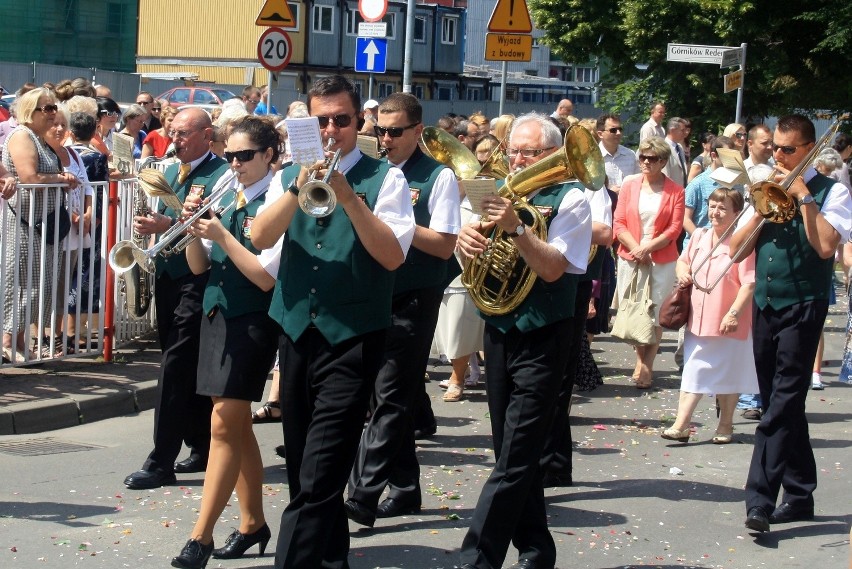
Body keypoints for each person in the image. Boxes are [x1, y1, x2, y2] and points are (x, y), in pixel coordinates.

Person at [250, 75, 415, 569]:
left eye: (341, 120)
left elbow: (391, 257)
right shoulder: (287, 177)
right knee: (304, 465)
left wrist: (347, 196)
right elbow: (260, 237)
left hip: (353, 337)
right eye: (321, 120)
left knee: (321, 471)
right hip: (298, 332)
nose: (330, 130)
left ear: (358, 122)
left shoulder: (388, 180)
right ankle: (332, 558)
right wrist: (296, 185)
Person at [455, 112, 592, 569]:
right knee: (511, 450)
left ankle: (478, 557)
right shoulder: (495, 192)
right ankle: (536, 550)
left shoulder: (572, 199)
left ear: (551, 155)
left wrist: (516, 227)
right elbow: (468, 255)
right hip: (500, 330)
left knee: (515, 453)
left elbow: (554, 267)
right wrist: (467, 240)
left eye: (529, 152)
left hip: (545, 335)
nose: (517, 159)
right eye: (513, 149)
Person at [170, 116, 283, 569]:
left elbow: (263, 274)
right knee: (235, 426)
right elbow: (199, 267)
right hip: (217, 313)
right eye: (230, 155)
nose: (235, 163)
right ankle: (253, 521)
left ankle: (201, 536)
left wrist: (221, 234)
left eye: (245, 156)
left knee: (222, 424)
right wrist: (193, 229)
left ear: (270, 156)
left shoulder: (276, 198)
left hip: (253, 319)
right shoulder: (226, 190)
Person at [731, 114, 852, 533]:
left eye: (787, 149)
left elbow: (823, 248)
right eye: (774, 147)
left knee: (778, 406)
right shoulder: (767, 186)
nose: (777, 155)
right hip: (766, 303)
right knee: (781, 402)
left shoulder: (833, 192)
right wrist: (762, 210)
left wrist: (804, 198)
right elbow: (734, 250)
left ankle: (759, 501)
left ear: (811, 150)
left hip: (804, 304)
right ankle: (800, 495)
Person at [345, 92, 460, 527]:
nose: (386, 139)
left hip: (414, 292)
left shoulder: (438, 177)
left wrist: (393, 225)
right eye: (380, 131)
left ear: (417, 132)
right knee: (387, 395)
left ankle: (361, 493)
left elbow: (446, 243)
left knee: (390, 396)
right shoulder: (372, 172)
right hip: (374, 291)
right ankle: (407, 489)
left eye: (395, 132)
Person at [123, 107, 231, 491]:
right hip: (168, 275)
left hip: (198, 278)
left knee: (173, 366)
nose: (175, 140)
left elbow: (210, 225)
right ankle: (201, 444)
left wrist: (167, 225)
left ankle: (160, 460)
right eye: (172, 132)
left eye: (184, 134)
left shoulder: (222, 173)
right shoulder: (168, 170)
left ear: (206, 134)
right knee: (184, 359)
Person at [662, 188, 757, 444]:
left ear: (737, 213)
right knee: (694, 370)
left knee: (729, 374)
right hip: (698, 319)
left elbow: (749, 283)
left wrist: (734, 313)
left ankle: (725, 425)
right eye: (713, 205)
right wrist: (683, 272)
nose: (715, 212)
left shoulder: (742, 242)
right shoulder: (700, 236)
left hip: (728, 320)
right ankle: (681, 425)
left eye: (722, 208)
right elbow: (683, 261)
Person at [2, 87, 80, 363]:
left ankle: (21, 341)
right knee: (22, 281)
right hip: (25, 224)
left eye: (53, 107)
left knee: (37, 283)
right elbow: (29, 176)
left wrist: (61, 178)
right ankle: (9, 340)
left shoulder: (38, 138)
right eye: (46, 108)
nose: (53, 112)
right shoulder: (23, 136)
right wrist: (61, 178)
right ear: (30, 111)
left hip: (42, 226)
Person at [613, 136, 684, 389]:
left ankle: (646, 365)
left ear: (663, 161)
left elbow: (675, 229)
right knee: (635, 310)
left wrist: (648, 248)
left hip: (661, 258)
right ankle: (640, 359)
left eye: (651, 158)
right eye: (642, 157)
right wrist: (636, 248)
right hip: (631, 256)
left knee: (655, 314)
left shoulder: (676, 191)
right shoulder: (630, 184)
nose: (645, 162)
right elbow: (618, 222)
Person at [45, 106, 93, 357]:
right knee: (46, 281)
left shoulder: (73, 153)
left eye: (63, 124)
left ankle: (61, 334)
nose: (60, 128)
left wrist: (87, 213)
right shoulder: (44, 154)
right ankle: (44, 334)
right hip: (55, 227)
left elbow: (86, 187)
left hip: (75, 230)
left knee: (65, 282)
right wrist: (75, 215)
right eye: (55, 123)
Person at [597, 113, 638, 194]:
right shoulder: (593, 158)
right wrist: (609, 192)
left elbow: (638, 182)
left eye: (620, 129)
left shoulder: (630, 155)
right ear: (600, 134)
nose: (618, 133)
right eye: (613, 130)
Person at [661, 117, 688, 187]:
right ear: (672, 130)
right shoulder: (663, 148)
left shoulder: (680, 147)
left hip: (681, 191)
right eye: (682, 130)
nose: (685, 133)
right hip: (671, 192)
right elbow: (665, 174)